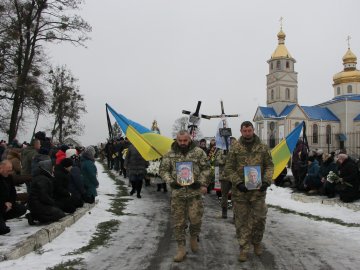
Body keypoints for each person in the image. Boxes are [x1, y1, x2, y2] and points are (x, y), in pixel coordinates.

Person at [224, 121, 274, 262]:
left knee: (259, 220)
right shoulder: (235, 148)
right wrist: (238, 182)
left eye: (249, 130)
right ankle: (244, 248)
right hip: (240, 192)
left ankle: (257, 243)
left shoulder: (263, 148)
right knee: (241, 221)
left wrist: (266, 181)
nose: (247, 133)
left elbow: (270, 165)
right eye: (244, 131)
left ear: (253, 130)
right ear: (241, 131)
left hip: (258, 192)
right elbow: (228, 168)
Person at [159, 130, 210, 262]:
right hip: (178, 194)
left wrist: (202, 183)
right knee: (178, 223)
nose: (182, 143)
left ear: (189, 140)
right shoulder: (170, 154)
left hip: (195, 193)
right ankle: (181, 249)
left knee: (196, 219)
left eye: (185, 140)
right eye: (180, 140)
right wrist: (171, 182)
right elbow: (163, 170)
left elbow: (207, 168)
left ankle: (193, 236)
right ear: (176, 140)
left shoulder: (199, 152)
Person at [27, 160, 65, 225]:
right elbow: (43, 196)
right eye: (52, 167)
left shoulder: (43, 177)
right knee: (59, 214)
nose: (53, 169)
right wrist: (53, 202)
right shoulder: (43, 179)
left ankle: (36, 215)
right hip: (38, 205)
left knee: (59, 211)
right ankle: (35, 216)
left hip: (38, 204)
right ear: (48, 167)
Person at [0, 160, 27, 234]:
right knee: (3, 230)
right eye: (7, 171)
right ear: (1, 168)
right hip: (2, 205)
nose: (9, 172)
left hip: (7, 205)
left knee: (22, 209)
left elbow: (13, 192)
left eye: (10, 170)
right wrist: (4, 205)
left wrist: (10, 202)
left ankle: (3, 218)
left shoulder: (9, 177)